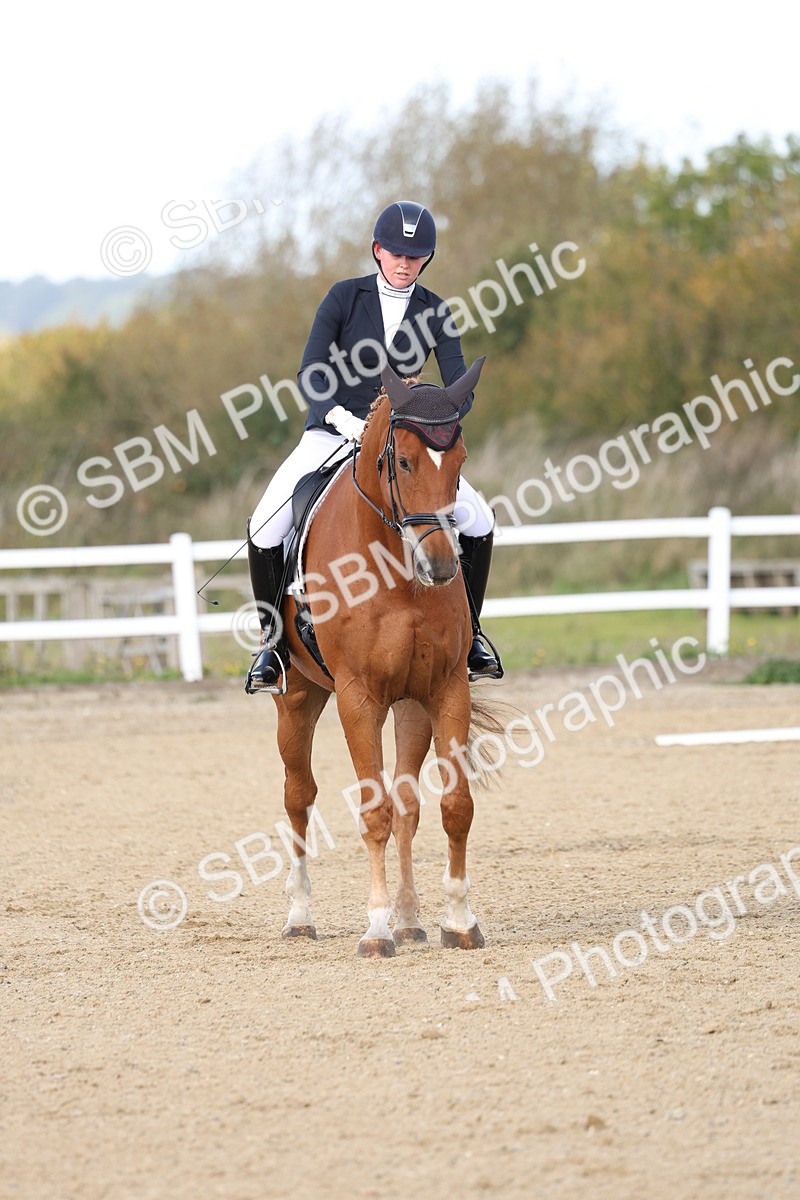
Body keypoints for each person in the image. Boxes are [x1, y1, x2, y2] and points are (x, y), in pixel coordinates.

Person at [245, 199, 502, 693]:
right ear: (377, 250)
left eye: (416, 256)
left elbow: (457, 390)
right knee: (264, 525)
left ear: (426, 258)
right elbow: (311, 372)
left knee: (481, 519)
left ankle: (472, 637)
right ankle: (272, 646)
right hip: (332, 432)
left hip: (405, 444)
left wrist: (427, 420)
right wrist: (343, 419)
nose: (405, 264)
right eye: (396, 254)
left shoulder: (435, 310)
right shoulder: (344, 298)